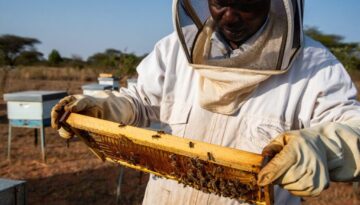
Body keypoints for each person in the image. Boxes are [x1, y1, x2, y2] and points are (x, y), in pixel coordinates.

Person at [51, 0, 360, 204]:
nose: (229, 15)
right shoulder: (174, 49)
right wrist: (101, 108)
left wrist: (322, 145)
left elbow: (353, 127)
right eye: (219, 2)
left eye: (245, 3)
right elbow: (141, 102)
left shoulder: (315, 64)